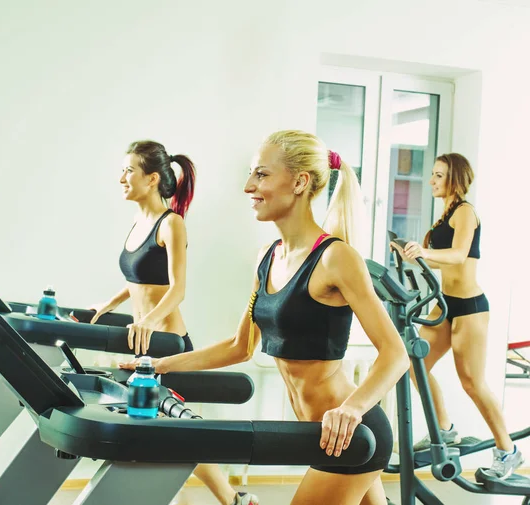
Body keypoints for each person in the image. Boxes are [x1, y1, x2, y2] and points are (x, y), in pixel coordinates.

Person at [121, 131, 409, 505]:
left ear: (300, 182)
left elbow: (395, 354)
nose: (248, 186)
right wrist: (158, 365)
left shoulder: (336, 258)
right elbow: (240, 346)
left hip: (349, 432)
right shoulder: (267, 256)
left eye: (261, 175)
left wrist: (351, 409)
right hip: (319, 434)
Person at [90, 140, 258, 505]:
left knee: (180, 431)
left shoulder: (172, 224)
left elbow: (177, 290)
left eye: (128, 171)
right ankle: (221, 499)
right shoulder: (139, 221)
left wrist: (147, 321)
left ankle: (233, 499)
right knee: (166, 435)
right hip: (142, 343)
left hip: (167, 344)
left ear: (151, 179)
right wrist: (108, 304)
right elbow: (140, 281)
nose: (121, 178)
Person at [391, 153, 524, 479]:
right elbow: (442, 261)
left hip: (470, 307)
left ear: (454, 179)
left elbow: (460, 255)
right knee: (413, 362)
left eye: (438, 175)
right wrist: (411, 252)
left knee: (473, 382)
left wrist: (424, 252)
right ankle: (445, 429)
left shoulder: (465, 212)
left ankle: (508, 450)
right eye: (433, 174)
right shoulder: (445, 215)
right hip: (447, 304)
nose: (432, 180)